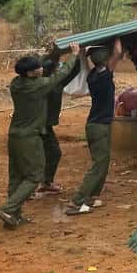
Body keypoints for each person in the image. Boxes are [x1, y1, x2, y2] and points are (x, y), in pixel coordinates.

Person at [0, 43, 81, 229]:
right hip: (29, 137)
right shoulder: (39, 86)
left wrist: (54, 53)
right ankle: (9, 209)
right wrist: (74, 55)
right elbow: (61, 75)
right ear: (31, 73)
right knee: (34, 176)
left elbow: (37, 67)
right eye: (38, 68)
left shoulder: (16, 83)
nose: (42, 68)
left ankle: (14, 216)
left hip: (14, 136)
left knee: (16, 176)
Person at [67, 40, 122, 215]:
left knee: (103, 162)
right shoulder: (105, 76)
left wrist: (82, 51)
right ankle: (77, 200)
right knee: (99, 164)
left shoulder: (92, 76)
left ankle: (91, 197)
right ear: (105, 60)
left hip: (94, 125)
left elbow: (106, 57)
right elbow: (118, 53)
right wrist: (117, 36)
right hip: (99, 127)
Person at [34, 50, 82, 197]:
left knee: (52, 153)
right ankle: (29, 188)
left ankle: (45, 182)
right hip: (35, 126)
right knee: (35, 157)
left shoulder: (51, 83)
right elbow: (71, 70)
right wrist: (75, 54)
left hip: (44, 126)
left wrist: (60, 53)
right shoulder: (45, 84)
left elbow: (74, 70)